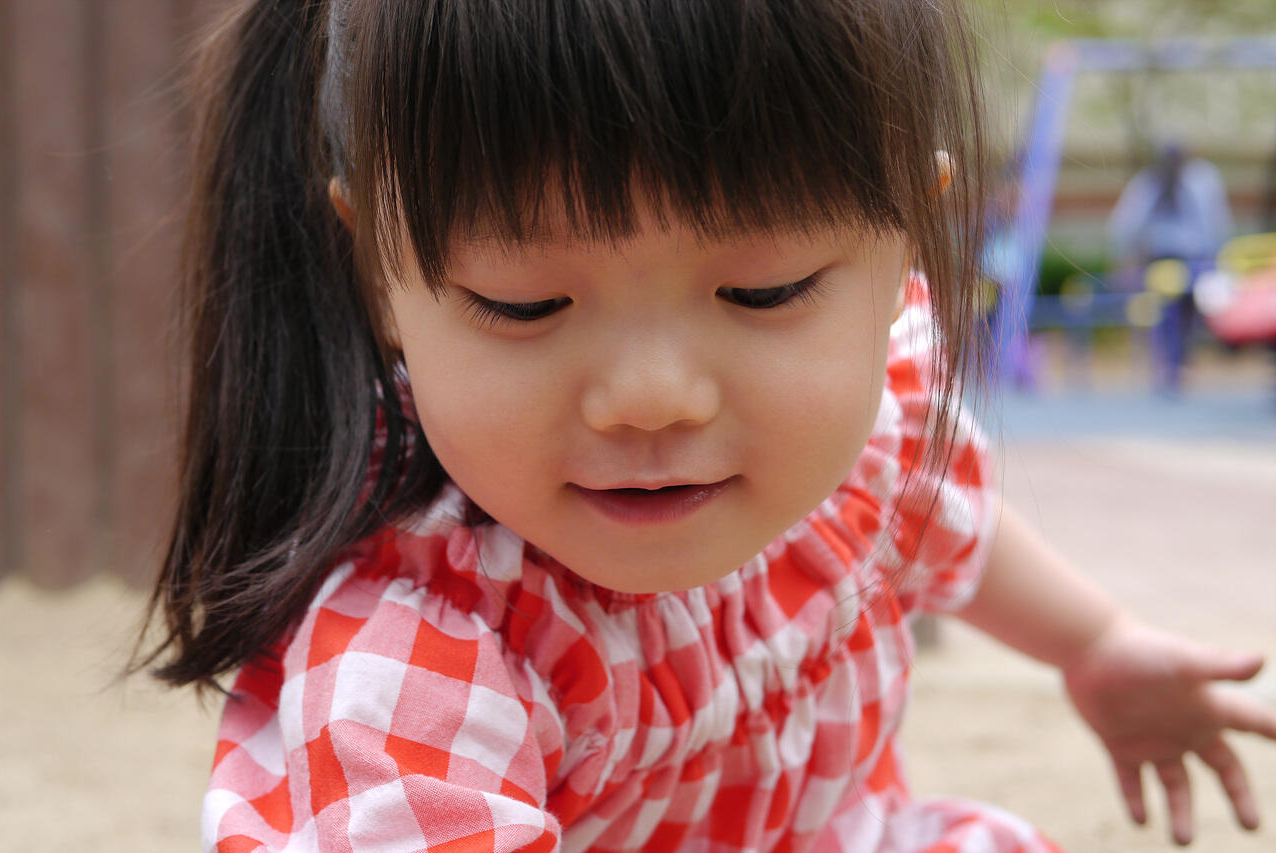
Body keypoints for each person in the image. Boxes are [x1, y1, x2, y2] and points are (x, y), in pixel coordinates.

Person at [134, 2, 1276, 850]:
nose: (652, 397)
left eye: (763, 291)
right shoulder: (418, 663)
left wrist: (1093, 643)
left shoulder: (860, 426)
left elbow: (931, 517)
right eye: (525, 304)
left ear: (903, 254)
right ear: (377, 276)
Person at [1107, 143, 1235, 392]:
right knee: (1162, 312)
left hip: (1195, 260)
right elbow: (1127, 225)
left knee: (1190, 313)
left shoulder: (1202, 180)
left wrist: (1217, 261)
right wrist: (1125, 261)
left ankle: (1180, 362)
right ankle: (1166, 364)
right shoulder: (1148, 183)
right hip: (1158, 259)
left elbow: (1216, 223)